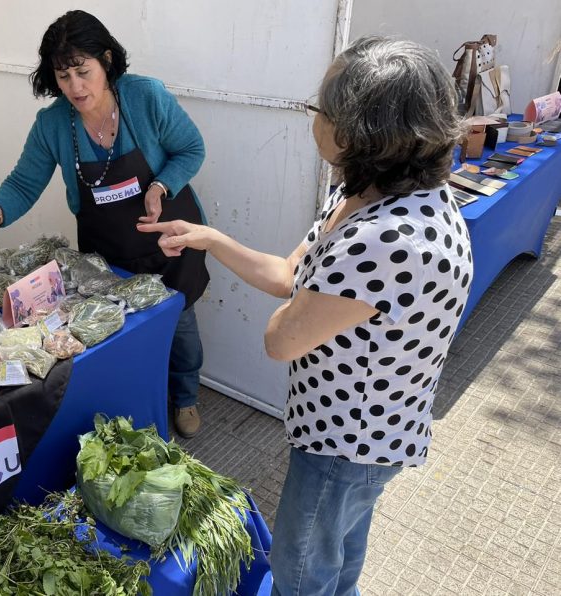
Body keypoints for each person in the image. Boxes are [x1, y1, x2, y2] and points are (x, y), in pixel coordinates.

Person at [139, 37, 471, 595]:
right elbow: (292, 274)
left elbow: (280, 339)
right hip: (366, 426)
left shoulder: (386, 239)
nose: (312, 118)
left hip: (349, 441)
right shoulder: (368, 193)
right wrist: (210, 239)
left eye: (321, 108)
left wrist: (298, 305)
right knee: (339, 548)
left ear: (361, 130)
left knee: (300, 567)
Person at [0, 10, 210, 437]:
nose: (76, 87)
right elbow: (24, 181)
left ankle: (185, 395)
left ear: (107, 61)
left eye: (84, 71)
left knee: (179, 320)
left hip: (167, 235)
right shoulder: (54, 123)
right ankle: (133, 398)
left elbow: (190, 148)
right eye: (64, 76)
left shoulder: (145, 97)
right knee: (117, 328)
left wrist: (161, 186)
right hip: (108, 246)